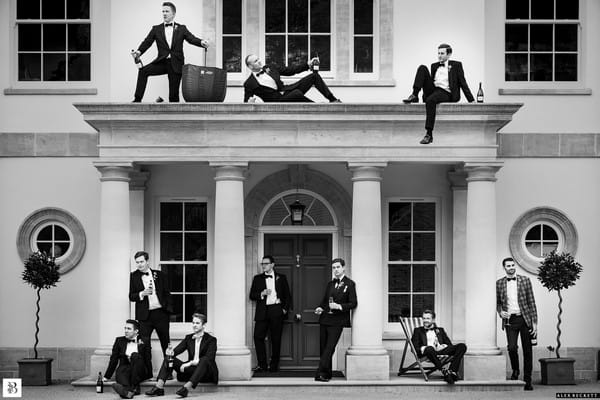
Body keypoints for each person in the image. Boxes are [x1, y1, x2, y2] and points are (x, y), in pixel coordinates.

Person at [132, 2, 208, 102]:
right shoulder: (156, 29)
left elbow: (191, 39)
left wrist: (201, 42)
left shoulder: (181, 28)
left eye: (167, 11)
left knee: (173, 96)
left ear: (173, 14)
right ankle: (137, 100)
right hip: (162, 62)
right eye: (163, 11)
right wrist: (139, 52)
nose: (164, 14)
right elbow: (147, 42)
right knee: (143, 71)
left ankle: (175, 116)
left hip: (176, 64)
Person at [402, 43, 474, 144]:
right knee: (422, 68)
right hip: (434, 89)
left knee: (431, 100)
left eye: (442, 53)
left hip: (446, 92)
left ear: (449, 54)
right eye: (438, 53)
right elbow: (430, 81)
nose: (439, 55)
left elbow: (463, 83)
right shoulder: (434, 66)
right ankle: (414, 95)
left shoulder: (456, 65)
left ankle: (429, 134)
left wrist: (471, 100)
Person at [145, 313, 218, 398]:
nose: (194, 325)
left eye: (197, 323)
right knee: (169, 358)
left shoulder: (211, 340)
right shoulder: (189, 338)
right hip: (192, 371)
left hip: (206, 373)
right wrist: (170, 352)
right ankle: (159, 387)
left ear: (204, 325)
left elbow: (210, 358)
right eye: (193, 323)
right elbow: (177, 350)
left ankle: (186, 388)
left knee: (204, 360)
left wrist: (189, 363)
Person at [496, 257, 538, 391]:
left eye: (512, 265)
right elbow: (497, 303)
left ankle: (527, 380)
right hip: (510, 320)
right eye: (508, 266)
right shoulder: (499, 283)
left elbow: (532, 302)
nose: (511, 267)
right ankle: (515, 370)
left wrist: (535, 323)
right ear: (504, 268)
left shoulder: (525, 280)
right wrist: (500, 312)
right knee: (512, 348)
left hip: (525, 319)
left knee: (527, 350)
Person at [314, 258, 357, 382]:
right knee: (323, 348)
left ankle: (319, 373)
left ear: (343, 268)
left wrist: (339, 306)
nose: (336, 270)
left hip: (338, 321)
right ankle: (326, 374)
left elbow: (353, 303)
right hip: (325, 319)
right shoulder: (330, 284)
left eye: (338, 267)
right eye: (333, 268)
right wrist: (320, 308)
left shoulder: (350, 284)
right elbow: (324, 302)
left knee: (330, 347)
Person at [249, 255, 292, 373]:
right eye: (262, 264)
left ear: (272, 265)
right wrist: (261, 293)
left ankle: (274, 366)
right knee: (258, 337)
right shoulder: (257, 278)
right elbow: (252, 295)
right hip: (262, 311)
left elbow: (288, 296)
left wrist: (284, 309)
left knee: (276, 339)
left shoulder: (281, 278)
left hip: (277, 310)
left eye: (266, 263)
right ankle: (262, 365)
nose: (264, 266)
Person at [243, 54, 341, 103]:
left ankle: (333, 100)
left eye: (258, 59)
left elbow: (290, 70)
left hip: (287, 90)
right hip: (277, 102)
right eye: (256, 61)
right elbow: (246, 102)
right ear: (250, 67)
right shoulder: (249, 83)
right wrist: (249, 103)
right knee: (296, 93)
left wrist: (308, 65)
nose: (259, 62)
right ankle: (316, 106)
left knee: (314, 76)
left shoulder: (269, 67)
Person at [129, 251, 173, 358]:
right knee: (144, 345)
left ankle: (168, 372)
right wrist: (142, 293)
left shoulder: (160, 275)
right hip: (145, 316)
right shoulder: (133, 276)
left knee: (166, 344)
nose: (139, 264)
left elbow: (167, 293)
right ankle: (146, 373)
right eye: (137, 262)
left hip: (161, 314)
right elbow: (131, 296)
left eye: (142, 262)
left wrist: (167, 310)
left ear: (147, 261)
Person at [410, 310, 467, 384]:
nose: (425, 320)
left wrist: (443, 346)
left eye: (428, 318)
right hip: (427, 352)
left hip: (440, 350)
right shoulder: (418, 331)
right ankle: (443, 370)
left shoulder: (440, 330)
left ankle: (451, 371)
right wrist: (426, 348)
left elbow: (449, 344)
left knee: (462, 346)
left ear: (433, 320)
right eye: (424, 318)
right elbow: (414, 347)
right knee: (430, 348)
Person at [103, 319, 152, 399]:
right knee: (121, 372)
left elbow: (148, 358)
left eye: (129, 329)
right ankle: (130, 391)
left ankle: (128, 390)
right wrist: (107, 376)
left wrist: (149, 375)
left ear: (136, 331)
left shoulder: (144, 340)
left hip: (139, 369)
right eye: (125, 328)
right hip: (125, 368)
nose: (126, 331)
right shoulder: (119, 340)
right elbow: (114, 359)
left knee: (135, 355)